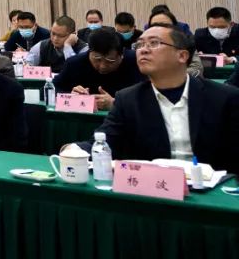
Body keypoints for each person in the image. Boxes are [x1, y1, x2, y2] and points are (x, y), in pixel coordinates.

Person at [74, 25, 239, 173]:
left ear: (182, 55)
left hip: (213, 190)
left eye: (153, 43)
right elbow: (104, 142)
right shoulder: (128, 100)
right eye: (140, 45)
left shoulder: (225, 98)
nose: (143, 50)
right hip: (154, 189)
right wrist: (72, 150)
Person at [53, 28, 144, 111]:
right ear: (89, 52)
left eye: (110, 61)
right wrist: (70, 96)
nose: (102, 66)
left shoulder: (137, 62)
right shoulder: (74, 63)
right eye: (97, 59)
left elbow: (147, 97)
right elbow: (54, 88)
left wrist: (116, 104)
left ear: (121, 55)